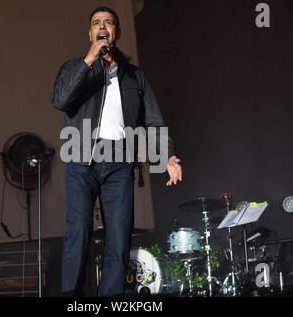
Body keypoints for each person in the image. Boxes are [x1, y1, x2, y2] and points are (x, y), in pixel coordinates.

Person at [51, 6, 182, 296]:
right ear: (90, 33)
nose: (102, 26)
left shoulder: (134, 76)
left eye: (108, 22)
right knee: (80, 231)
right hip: (81, 157)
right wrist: (89, 60)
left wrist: (168, 156)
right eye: (96, 23)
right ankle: (72, 298)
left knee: (120, 238)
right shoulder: (73, 67)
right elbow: (60, 100)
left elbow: (153, 120)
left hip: (120, 161)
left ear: (117, 32)